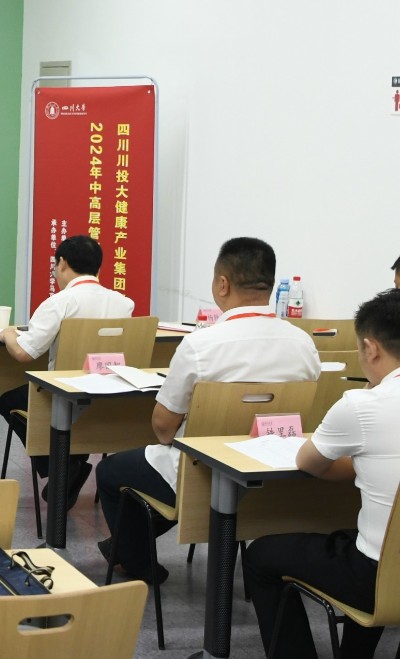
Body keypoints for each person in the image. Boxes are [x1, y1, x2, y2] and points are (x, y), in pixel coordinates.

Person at [96, 237, 320, 583]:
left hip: (201, 477)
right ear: (269, 283)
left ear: (222, 284)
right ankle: (125, 545)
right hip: (276, 481)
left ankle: (137, 562)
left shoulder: (201, 344)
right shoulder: (303, 343)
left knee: (110, 472)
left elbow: (163, 428)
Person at [245, 288, 400, 659]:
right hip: (390, 568)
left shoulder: (363, 405)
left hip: (380, 579)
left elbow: (308, 463)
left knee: (261, 556)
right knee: (367, 540)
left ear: (370, 348)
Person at [0, 235, 133, 508]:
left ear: (63, 263)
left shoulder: (60, 303)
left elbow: (24, 353)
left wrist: (8, 334)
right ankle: (73, 461)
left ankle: (63, 465)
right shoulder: (123, 303)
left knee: (8, 401)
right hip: (109, 393)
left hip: (63, 393)